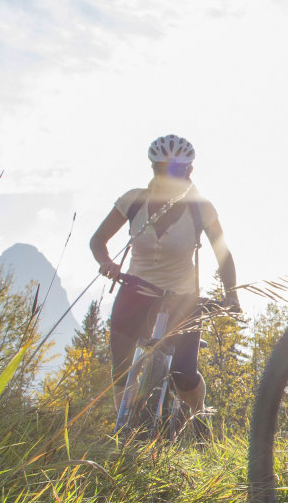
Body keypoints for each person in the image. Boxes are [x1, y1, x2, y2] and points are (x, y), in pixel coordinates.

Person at [89, 134, 240, 418]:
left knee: (183, 376)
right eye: (162, 168)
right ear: (153, 168)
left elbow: (223, 254)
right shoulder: (133, 201)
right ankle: (123, 430)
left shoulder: (200, 208)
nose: (168, 175)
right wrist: (106, 262)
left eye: (177, 170)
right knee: (121, 369)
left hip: (182, 297)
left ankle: (197, 415)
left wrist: (231, 293)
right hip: (135, 289)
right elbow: (98, 240)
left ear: (189, 171)